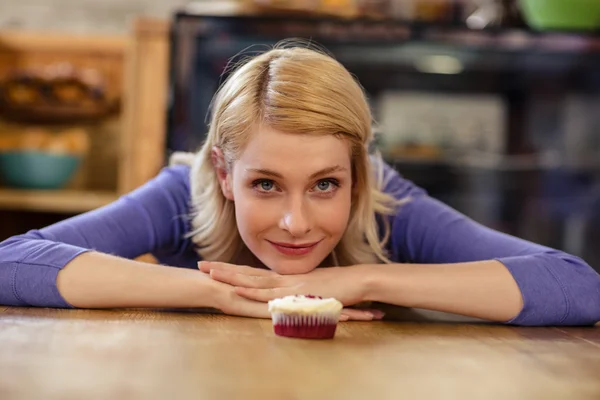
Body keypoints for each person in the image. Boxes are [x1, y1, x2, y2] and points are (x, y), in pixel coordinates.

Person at [1, 44, 599, 326]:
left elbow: (577, 286)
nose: (296, 222)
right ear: (223, 173)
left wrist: (355, 277)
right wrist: (217, 293)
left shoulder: (387, 202)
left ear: (357, 176)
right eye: (265, 184)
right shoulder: (182, 193)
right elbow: (12, 262)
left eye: (323, 185)